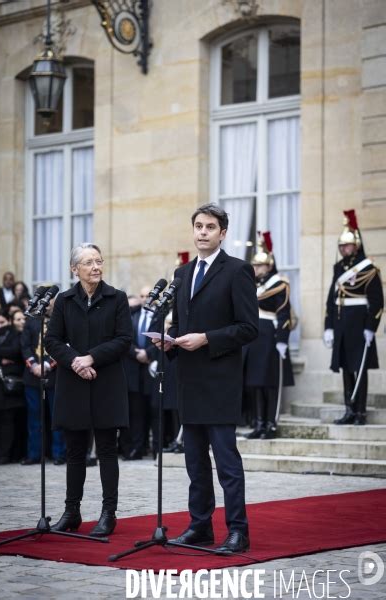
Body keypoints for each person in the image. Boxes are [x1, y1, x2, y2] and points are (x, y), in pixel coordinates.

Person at [156, 203, 258, 553]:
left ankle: (237, 531)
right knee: (195, 462)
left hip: (220, 381)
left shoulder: (238, 271)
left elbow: (248, 328)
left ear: (222, 233)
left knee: (226, 464)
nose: (202, 232)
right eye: (198, 226)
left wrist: (207, 338)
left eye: (210, 227)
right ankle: (200, 526)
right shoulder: (182, 273)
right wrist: (169, 342)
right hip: (189, 379)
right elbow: (183, 324)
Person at [45, 243, 132, 536]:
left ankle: (109, 513)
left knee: (107, 449)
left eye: (99, 261)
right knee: (74, 451)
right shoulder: (65, 300)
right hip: (73, 381)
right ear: (75, 269)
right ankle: (72, 511)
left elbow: (124, 339)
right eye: (88, 262)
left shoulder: (116, 298)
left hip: (107, 381)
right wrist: (75, 363)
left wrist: (91, 357)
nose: (95, 267)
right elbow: (52, 340)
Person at [324, 210, 384, 425]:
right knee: (346, 369)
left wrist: (371, 327)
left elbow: (377, 302)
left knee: (359, 369)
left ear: (356, 246)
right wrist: (328, 327)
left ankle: (360, 412)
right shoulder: (339, 268)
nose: (343, 249)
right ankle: (349, 409)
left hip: (359, 326)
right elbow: (332, 299)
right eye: (341, 246)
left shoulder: (368, 269)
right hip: (341, 325)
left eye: (347, 245)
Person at [244, 232, 294, 439]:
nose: (256, 269)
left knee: (269, 384)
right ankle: (259, 423)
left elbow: (284, 313)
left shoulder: (279, 284)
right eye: (254, 266)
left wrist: (282, 340)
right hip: (253, 338)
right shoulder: (251, 286)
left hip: (270, 337)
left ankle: (271, 424)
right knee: (255, 383)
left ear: (269, 266)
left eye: (260, 266)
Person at [21, 299, 66, 466]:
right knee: (34, 418)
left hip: (54, 376)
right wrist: (33, 365)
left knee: (56, 418)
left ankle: (58, 454)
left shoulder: (60, 321)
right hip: (32, 377)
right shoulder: (31, 321)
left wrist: (48, 364)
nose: (47, 306)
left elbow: (62, 345)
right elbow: (24, 346)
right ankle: (35, 454)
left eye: (50, 303)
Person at [122, 286, 160, 460]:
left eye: (149, 295)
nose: (146, 298)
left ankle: (158, 449)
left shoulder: (161, 316)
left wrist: (149, 353)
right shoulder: (132, 316)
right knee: (136, 413)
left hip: (153, 370)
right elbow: (124, 340)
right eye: (143, 295)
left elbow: (165, 338)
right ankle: (138, 448)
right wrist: (137, 353)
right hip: (134, 371)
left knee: (154, 410)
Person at [0, 310, 25, 464]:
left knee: (8, 422)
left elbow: (14, 351)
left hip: (10, 387)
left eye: (2, 323)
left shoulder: (15, 335)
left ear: (8, 322)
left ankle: (7, 455)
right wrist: (0, 358)